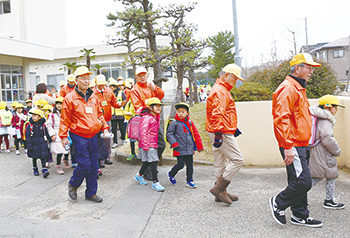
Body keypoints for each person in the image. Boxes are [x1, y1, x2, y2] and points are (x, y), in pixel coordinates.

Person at [270, 53, 323, 228]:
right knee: (304, 181)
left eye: (312, 68)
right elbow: (281, 119)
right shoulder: (288, 88)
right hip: (292, 144)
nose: (311, 71)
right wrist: (288, 146)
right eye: (309, 67)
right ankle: (278, 202)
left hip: (300, 143)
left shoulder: (298, 87)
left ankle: (300, 215)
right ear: (297, 68)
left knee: (297, 179)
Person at [59, 66, 109, 203]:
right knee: (84, 164)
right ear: (76, 80)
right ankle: (73, 185)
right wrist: (63, 136)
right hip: (79, 135)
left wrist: (104, 127)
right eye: (83, 79)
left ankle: (91, 193)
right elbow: (64, 119)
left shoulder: (94, 97)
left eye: (88, 79)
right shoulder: (69, 98)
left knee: (94, 165)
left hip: (93, 135)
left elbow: (100, 114)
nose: (86, 82)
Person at [206, 63, 244, 205]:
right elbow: (217, 113)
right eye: (235, 79)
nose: (236, 82)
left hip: (218, 129)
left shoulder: (219, 89)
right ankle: (219, 189)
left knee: (220, 162)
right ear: (227, 75)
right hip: (222, 130)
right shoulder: (221, 91)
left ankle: (220, 193)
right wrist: (219, 133)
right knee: (237, 159)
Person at [309, 95, 345, 209]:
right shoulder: (326, 120)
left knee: (328, 175)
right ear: (328, 107)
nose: (337, 110)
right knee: (318, 177)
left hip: (317, 150)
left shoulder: (318, 117)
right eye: (335, 107)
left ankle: (329, 199)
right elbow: (327, 137)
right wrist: (337, 150)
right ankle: (298, 195)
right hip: (323, 152)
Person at [130, 67, 165, 180]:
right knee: (147, 147)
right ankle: (148, 170)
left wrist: (155, 89)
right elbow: (138, 107)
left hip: (154, 121)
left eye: (144, 75)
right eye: (140, 75)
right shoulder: (135, 89)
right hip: (145, 122)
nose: (142, 77)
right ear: (136, 77)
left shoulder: (151, 86)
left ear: (147, 76)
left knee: (160, 145)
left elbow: (161, 96)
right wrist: (151, 108)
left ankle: (150, 166)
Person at [167, 102, 203, 188]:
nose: (180, 113)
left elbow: (196, 134)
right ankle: (171, 173)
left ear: (187, 113)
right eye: (179, 111)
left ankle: (189, 181)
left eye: (183, 112)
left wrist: (199, 147)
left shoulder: (190, 123)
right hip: (179, 148)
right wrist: (174, 143)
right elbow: (169, 134)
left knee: (190, 166)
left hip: (189, 149)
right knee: (180, 165)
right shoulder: (174, 123)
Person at [134, 97, 165, 192]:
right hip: (148, 144)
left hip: (152, 143)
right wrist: (146, 145)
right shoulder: (147, 117)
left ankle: (139, 175)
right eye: (156, 106)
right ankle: (155, 182)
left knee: (147, 162)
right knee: (154, 162)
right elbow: (143, 132)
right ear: (150, 107)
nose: (159, 108)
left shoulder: (154, 116)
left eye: (160, 106)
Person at [93, 74, 120, 166]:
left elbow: (114, 102)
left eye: (103, 84)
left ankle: (107, 157)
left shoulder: (109, 91)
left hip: (107, 119)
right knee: (98, 140)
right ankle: (100, 160)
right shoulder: (92, 92)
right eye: (99, 84)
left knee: (107, 140)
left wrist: (120, 104)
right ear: (96, 83)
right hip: (96, 120)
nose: (101, 86)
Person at [45, 97, 69, 174]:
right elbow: (49, 125)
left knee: (67, 150)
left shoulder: (67, 112)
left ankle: (66, 160)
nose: (59, 106)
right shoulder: (52, 114)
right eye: (57, 104)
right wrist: (52, 134)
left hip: (66, 133)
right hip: (57, 133)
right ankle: (58, 166)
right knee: (59, 151)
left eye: (60, 104)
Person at [25, 108, 51, 178]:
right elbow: (27, 136)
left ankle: (44, 169)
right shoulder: (30, 126)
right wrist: (29, 145)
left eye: (35, 116)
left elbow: (46, 133)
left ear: (40, 117)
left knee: (43, 157)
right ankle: (35, 168)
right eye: (33, 116)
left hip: (42, 143)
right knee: (34, 157)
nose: (33, 117)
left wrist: (49, 139)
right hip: (33, 144)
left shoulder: (43, 125)